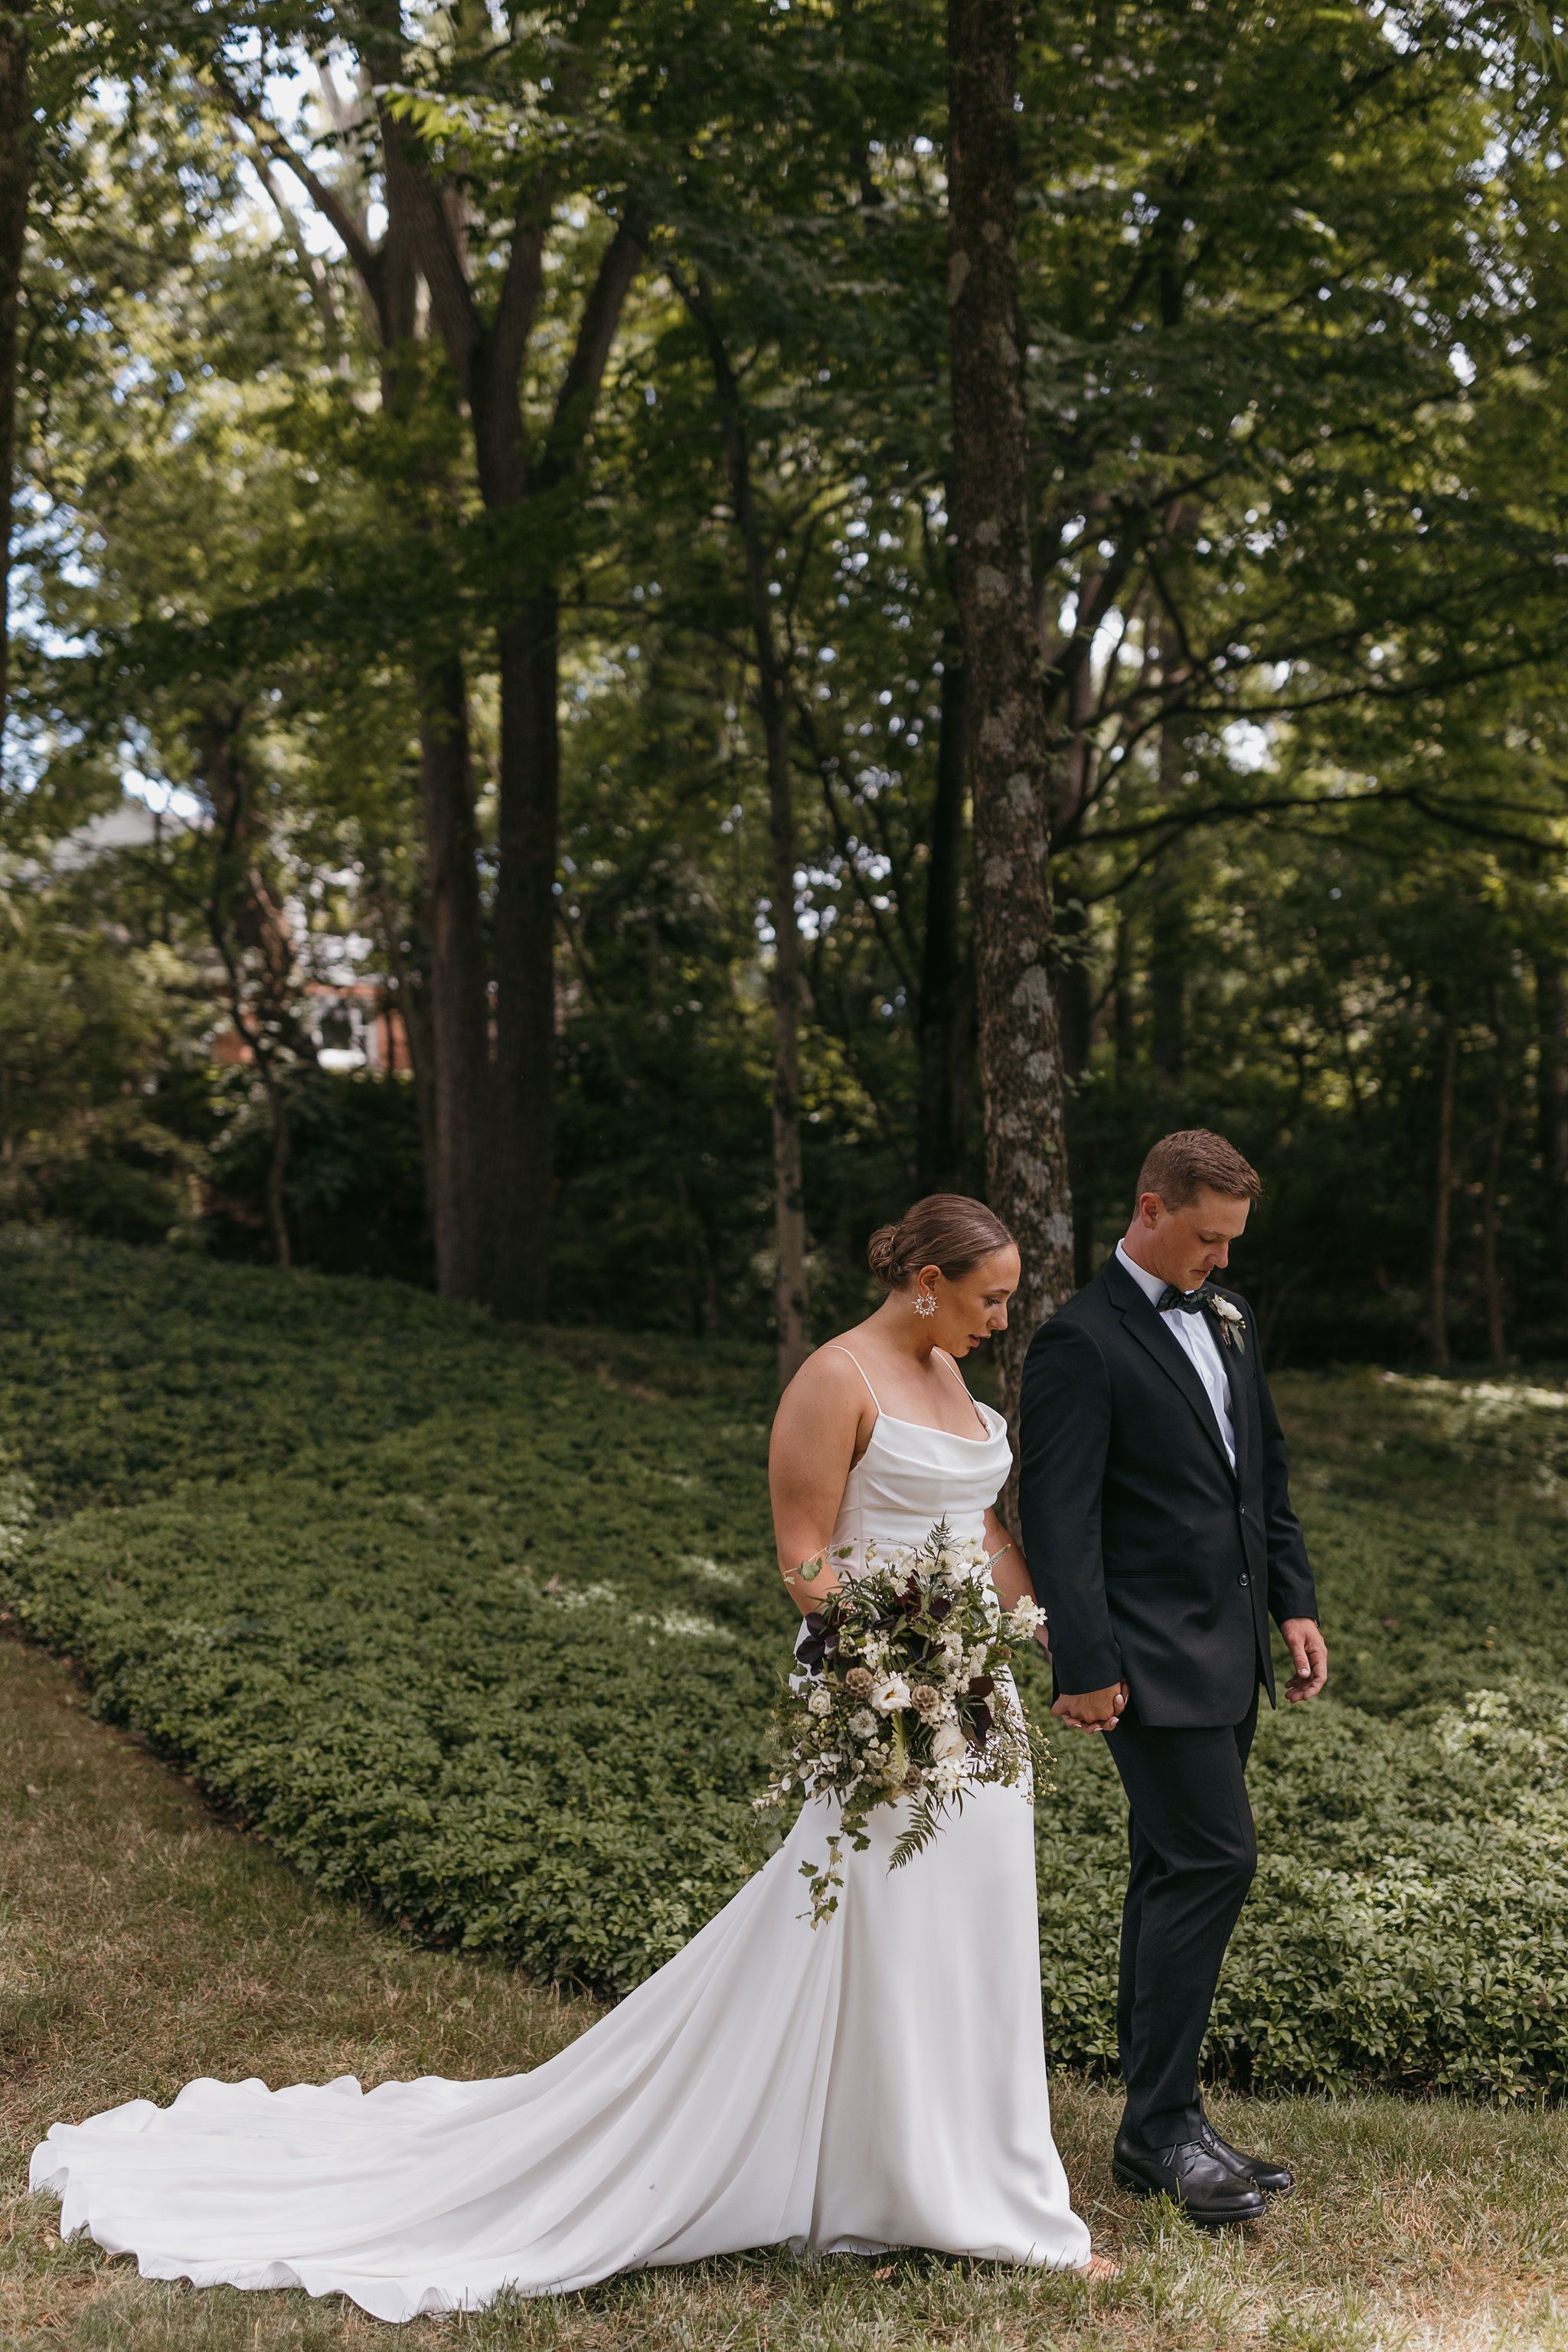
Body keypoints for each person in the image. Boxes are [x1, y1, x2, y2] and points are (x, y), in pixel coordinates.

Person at [30, 1194, 1100, 2319]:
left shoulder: (955, 1379)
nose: (1002, 1316)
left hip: (974, 1702)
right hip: (877, 1691)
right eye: (991, 1297)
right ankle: (939, 2189)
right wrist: (889, 1671)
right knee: (879, 1916)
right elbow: (803, 1558)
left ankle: (936, 2167)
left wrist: (1049, 1640)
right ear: (927, 1281)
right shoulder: (838, 1379)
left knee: (967, 1922)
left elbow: (981, 1533)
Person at [1018, 1130, 1328, 2226]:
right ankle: (1161, 2127)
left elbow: (1264, 1478)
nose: (1222, 1263)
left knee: (1170, 1873)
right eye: (1207, 1239)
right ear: (1150, 1210)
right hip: (1142, 1663)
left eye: (1232, 1242)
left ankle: (1161, 2131)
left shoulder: (1229, 1323)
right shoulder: (1078, 1344)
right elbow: (1057, 1522)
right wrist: (1086, 1661)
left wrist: (1290, 1599)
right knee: (1213, 1860)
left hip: (1229, 1649)